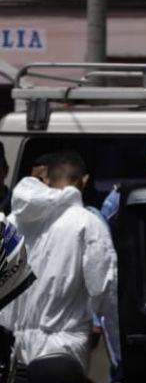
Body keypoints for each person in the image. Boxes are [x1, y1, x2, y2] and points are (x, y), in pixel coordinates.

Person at [0, 152, 119, 371]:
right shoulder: (87, 223)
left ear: (47, 179)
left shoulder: (13, 220)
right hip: (61, 351)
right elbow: (103, 288)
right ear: (84, 181)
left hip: (10, 349)